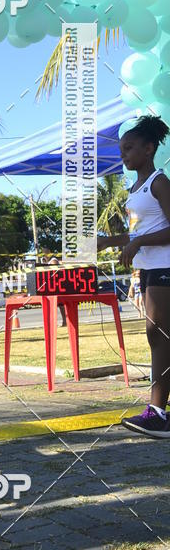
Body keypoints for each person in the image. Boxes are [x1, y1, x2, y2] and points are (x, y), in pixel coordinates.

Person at [97, 115, 170, 438]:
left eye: (129, 148)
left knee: (159, 334)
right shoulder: (136, 187)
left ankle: (156, 412)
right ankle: (158, 410)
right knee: (158, 335)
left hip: (166, 266)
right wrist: (107, 242)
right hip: (150, 268)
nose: (123, 155)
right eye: (122, 149)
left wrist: (138, 241)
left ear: (149, 148)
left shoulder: (159, 182)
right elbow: (138, 232)